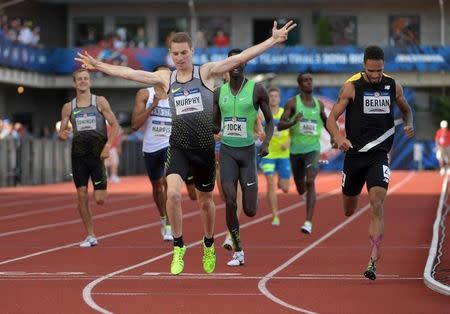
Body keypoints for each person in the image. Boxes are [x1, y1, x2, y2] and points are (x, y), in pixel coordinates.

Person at [75, 20, 296, 275]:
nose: (179, 58)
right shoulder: (165, 78)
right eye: (175, 53)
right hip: (178, 146)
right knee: (172, 195)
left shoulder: (207, 73)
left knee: (205, 203)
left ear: (192, 52)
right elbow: (131, 73)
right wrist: (98, 65)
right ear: (170, 55)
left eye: (183, 53)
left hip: (203, 148)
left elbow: (243, 57)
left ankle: (208, 243)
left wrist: (272, 40)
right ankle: (179, 247)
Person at [326, 45, 414, 280]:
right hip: (354, 156)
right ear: (363, 66)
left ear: (384, 66)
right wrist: (338, 137)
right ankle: (350, 195)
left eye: (379, 71)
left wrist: (409, 123)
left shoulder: (392, 85)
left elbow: (406, 109)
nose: (375, 76)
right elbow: (332, 119)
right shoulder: (351, 87)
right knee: (348, 210)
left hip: (379, 155)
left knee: (377, 203)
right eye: (371, 71)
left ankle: (373, 260)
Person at [213, 48, 274, 266]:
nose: (236, 64)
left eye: (240, 60)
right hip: (227, 151)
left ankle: (252, 193)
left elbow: (270, 121)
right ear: (227, 64)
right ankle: (238, 250)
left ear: (245, 63)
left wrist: (265, 143)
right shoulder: (219, 93)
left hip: (247, 153)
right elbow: (214, 121)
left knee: (249, 210)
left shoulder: (257, 90)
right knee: (229, 200)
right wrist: (214, 131)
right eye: (232, 61)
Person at [131, 64, 197, 242]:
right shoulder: (145, 94)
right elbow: (135, 125)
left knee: (169, 184)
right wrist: (153, 105)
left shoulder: (178, 95)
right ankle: (162, 216)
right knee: (157, 187)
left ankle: (169, 224)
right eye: (159, 75)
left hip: (171, 145)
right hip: (151, 147)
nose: (163, 78)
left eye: (167, 75)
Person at [58, 68, 120, 248]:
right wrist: (63, 134)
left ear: (90, 82)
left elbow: (115, 125)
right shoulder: (68, 107)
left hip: (97, 156)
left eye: (86, 78)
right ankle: (90, 235)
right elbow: (62, 132)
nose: (83, 81)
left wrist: (108, 146)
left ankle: (101, 187)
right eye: (80, 79)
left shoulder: (99, 102)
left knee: (100, 199)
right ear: (74, 83)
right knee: (81, 193)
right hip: (78, 156)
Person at [278, 73, 331, 234]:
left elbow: (327, 122)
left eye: (310, 80)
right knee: (300, 185)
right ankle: (305, 196)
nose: (309, 83)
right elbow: (280, 125)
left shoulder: (318, 104)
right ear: (300, 85)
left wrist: (335, 138)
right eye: (305, 81)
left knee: (310, 180)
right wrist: (293, 121)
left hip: (313, 149)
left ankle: (308, 221)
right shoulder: (293, 103)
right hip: (295, 151)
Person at [260, 87, 291, 226]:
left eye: (275, 96)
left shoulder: (285, 114)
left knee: (285, 188)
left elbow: (292, 132)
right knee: (270, 183)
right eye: (271, 96)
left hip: (283, 154)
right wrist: (260, 135)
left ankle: (281, 181)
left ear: (279, 98)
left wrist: (287, 142)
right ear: (268, 98)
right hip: (268, 154)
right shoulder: (263, 115)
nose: (273, 98)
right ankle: (275, 215)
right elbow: (257, 131)